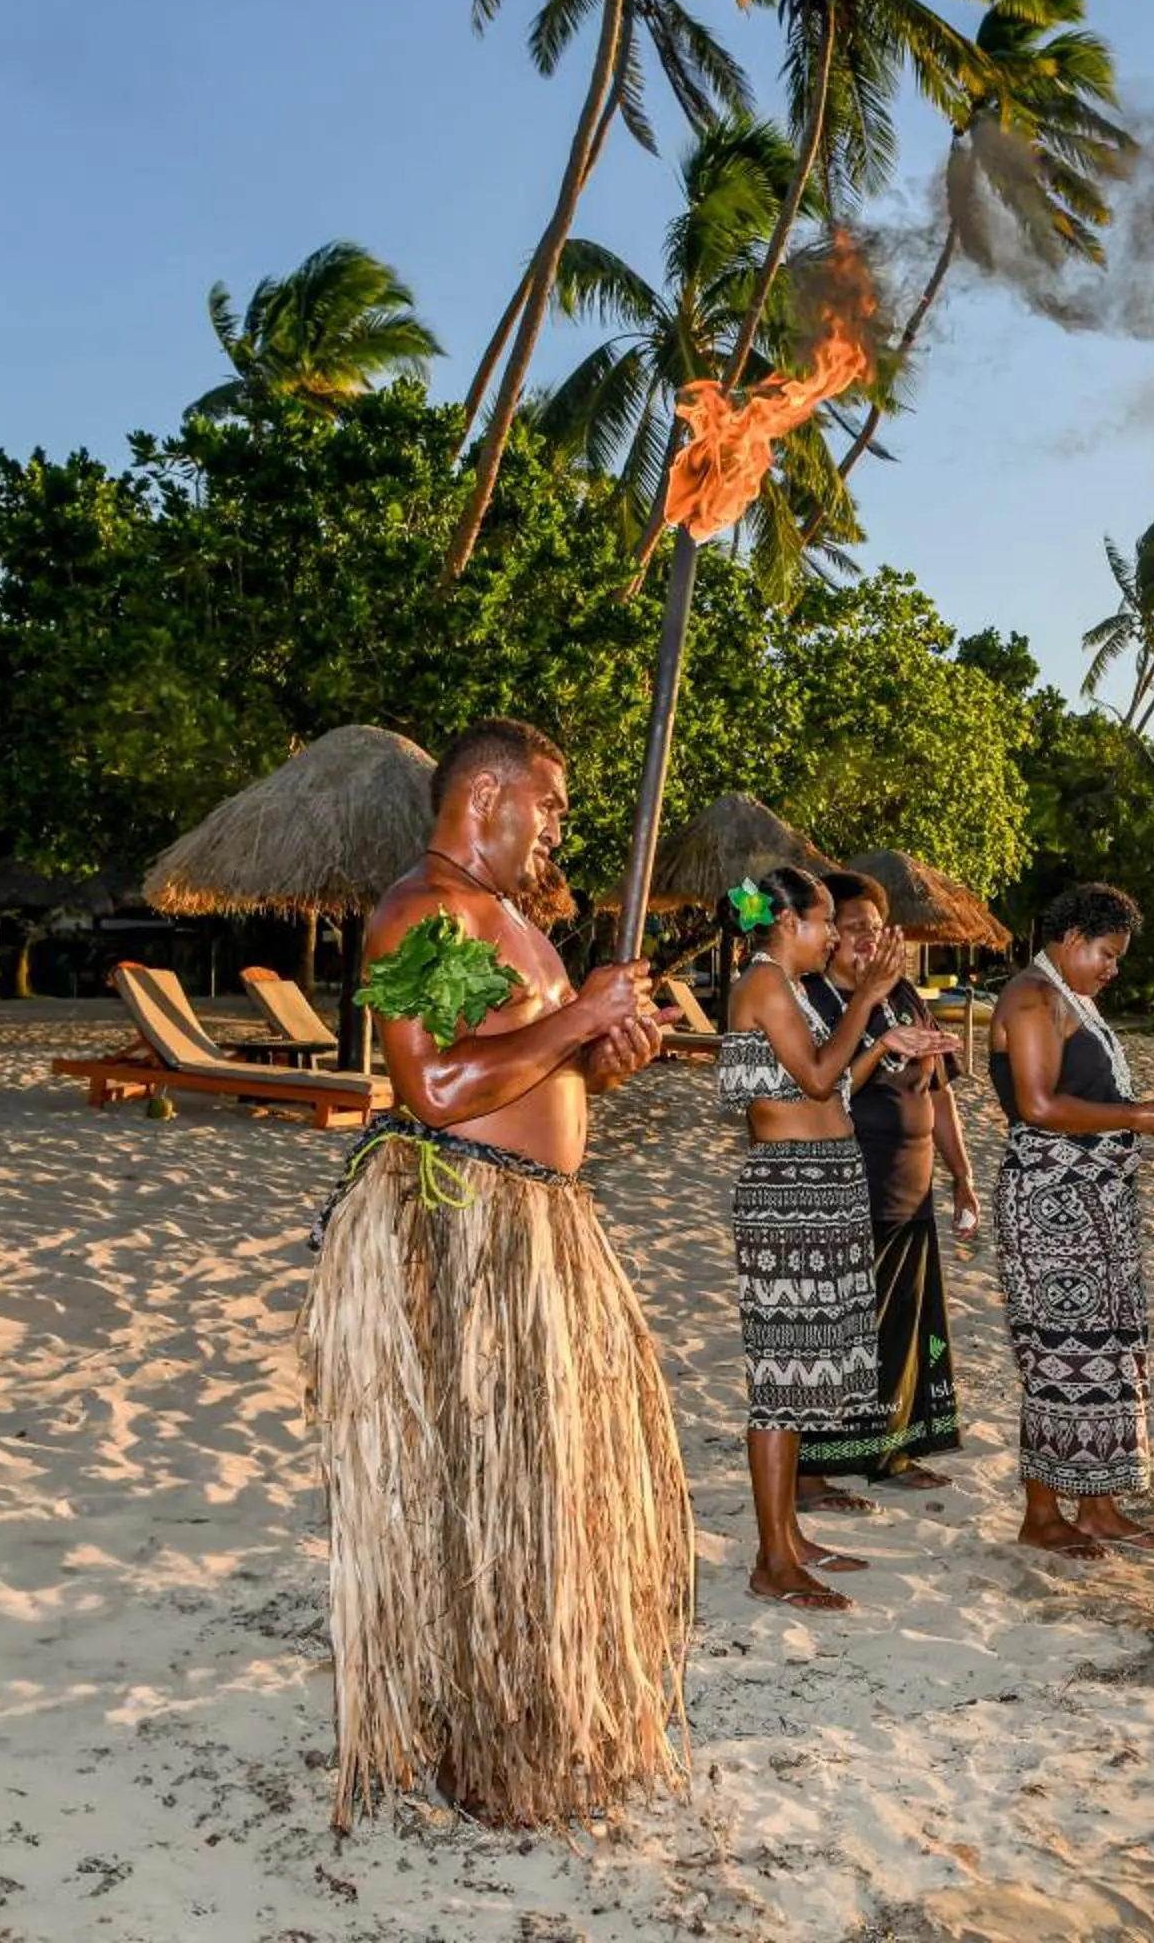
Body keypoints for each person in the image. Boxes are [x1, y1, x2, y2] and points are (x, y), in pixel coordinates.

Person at [302, 717, 686, 1830]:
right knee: (491, 1486)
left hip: (545, 1226)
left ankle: (531, 1716)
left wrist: (603, 1051)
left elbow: (540, 1069)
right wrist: (578, 1014)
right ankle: (482, 1739)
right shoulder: (423, 912)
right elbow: (435, 1085)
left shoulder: (518, 922)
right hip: (471, 1232)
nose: (559, 826)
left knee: (548, 1484)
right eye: (551, 804)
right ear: (486, 794)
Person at [718, 866, 946, 1611]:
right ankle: (771, 1559)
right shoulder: (764, 985)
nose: (832, 940)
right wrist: (873, 1000)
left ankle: (789, 1538)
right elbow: (816, 1080)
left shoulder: (785, 988)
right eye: (823, 926)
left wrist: (886, 1043)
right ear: (790, 924)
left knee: (802, 1374)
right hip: (790, 1190)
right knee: (782, 1385)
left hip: (817, 1181)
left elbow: (832, 1081)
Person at [988, 881, 1154, 1560]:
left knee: (1102, 1354)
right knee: (1058, 1355)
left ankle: (1097, 1505)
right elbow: (1038, 1105)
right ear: (1070, 938)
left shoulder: (1073, 1000)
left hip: (1092, 1200)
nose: (1112, 968)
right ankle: (1043, 1514)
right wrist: (1134, 1117)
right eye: (1106, 953)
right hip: (1053, 1203)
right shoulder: (1032, 997)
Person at [805, 870, 970, 1487]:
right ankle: (814, 1472)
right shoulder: (814, 1001)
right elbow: (824, 1086)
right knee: (837, 1331)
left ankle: (891, 1452)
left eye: (876, 930)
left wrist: (962, 1173)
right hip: (848, 1186)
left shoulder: (904, 996)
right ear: (825, 937)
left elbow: (941, 1091)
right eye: (853, 930)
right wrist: (867, 1010)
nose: (868, 942)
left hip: (912, 1188)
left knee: (902, 1330)